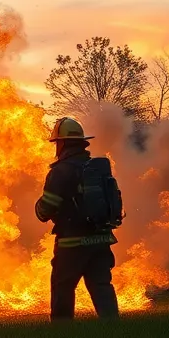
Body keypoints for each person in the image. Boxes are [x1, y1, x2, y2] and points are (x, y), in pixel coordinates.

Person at [34, 116, 119, 320]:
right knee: (101, 284)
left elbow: (47, 207)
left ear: (61, 144)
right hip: (101, 239)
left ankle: (62, 332)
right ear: (81, 143)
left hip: (72, 242)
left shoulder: (60, 171)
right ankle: (114, 326)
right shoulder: (96, 168)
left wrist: (39, 208)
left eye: (57, 143)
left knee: (63, 285)